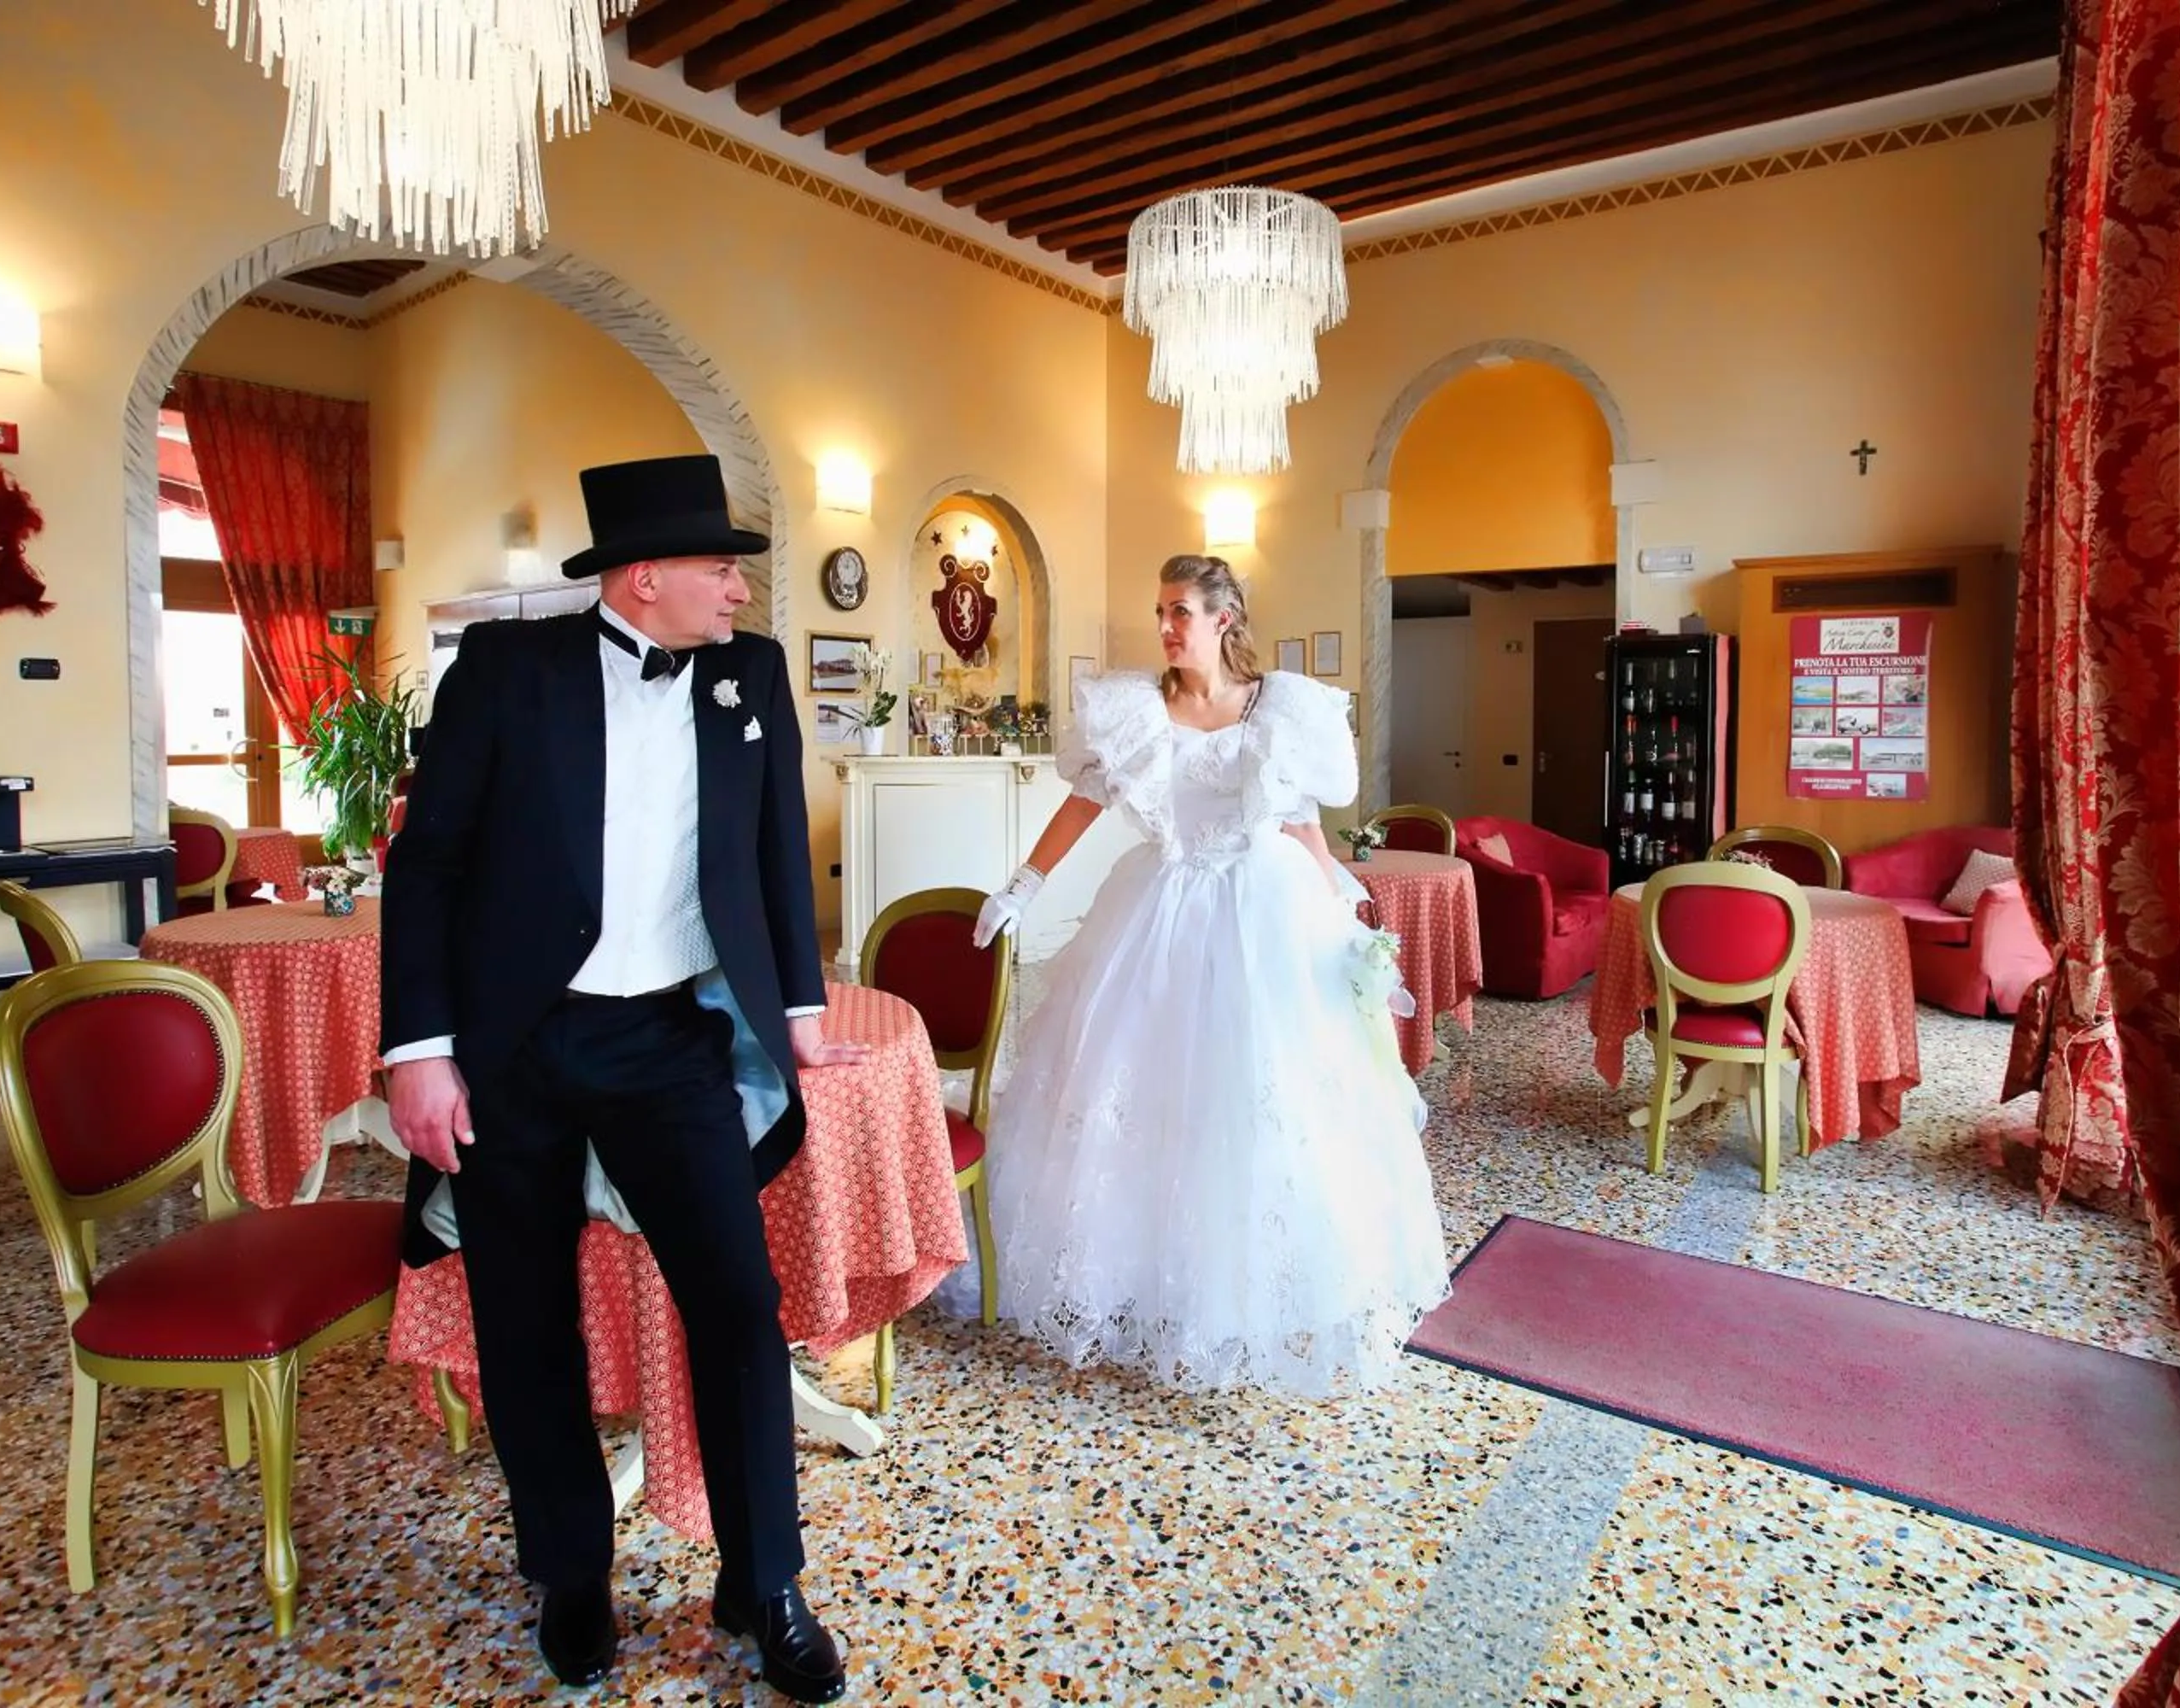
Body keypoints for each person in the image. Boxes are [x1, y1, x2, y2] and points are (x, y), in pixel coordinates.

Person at [379, 454, 856, 1701]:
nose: (739, 589)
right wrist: (419, 1051)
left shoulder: (752, 676)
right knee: (524, 1315)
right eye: (719, 569)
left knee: (739, 1306)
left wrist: (799, 1011)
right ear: (643, 578)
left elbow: (777, 854)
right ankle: (573, 1573)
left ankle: (765, 1582)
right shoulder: (506, 673)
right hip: (516, 1045)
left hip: (669, 1043)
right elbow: (428, 866)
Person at [971, 554, 1450, 1395]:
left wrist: (1340, 904)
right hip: (1158, 912)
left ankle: (1262, 1288)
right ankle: (1146, 1282)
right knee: (1143, 1096)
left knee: (1262, 1100)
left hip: (1264, 914)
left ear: (1223, 619)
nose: (1165, 625)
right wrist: (1022, 886)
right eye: (1160, 610)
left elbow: (1300, 819)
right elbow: (1083, 804)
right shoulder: (1136, 710)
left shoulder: (1279, 706)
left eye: (1180, 611)